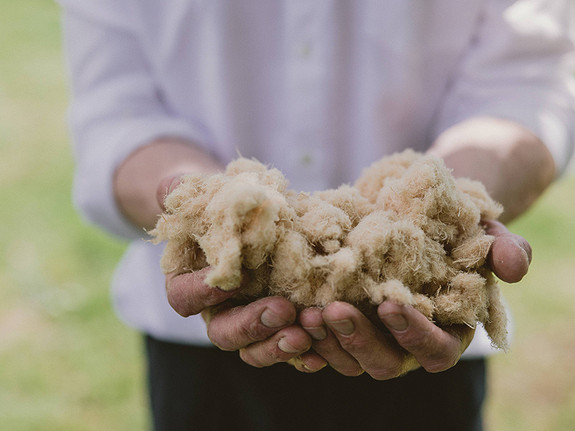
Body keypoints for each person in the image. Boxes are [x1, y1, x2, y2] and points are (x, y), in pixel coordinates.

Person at [57, 1, 575, 430]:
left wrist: (454, 201)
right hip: (202, 352)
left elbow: (527, 79)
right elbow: (117, 106)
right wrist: (207, 206)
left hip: (426, 322)